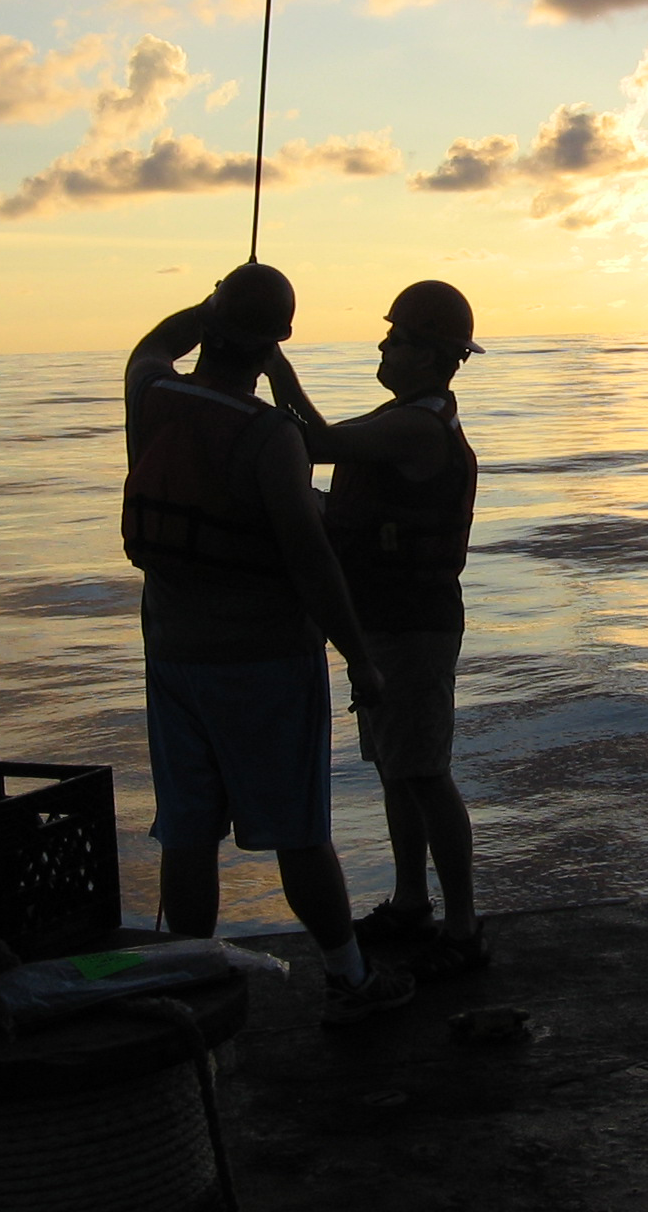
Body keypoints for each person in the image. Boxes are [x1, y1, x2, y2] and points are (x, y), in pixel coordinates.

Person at [123, 262, 414, 1025]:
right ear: (278, 343)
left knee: (187, 834)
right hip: (265, 664)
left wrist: (217, 306)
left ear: (210, 326)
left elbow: (155, 341)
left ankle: (188, 983)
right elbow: (310, 560)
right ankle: (348, 978)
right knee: (299, 834)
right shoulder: (269, 435)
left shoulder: (149, 395)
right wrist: (360, 657)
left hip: (173, 658)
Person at [264, 280, 487, 976]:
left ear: (428, 357)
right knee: (398, 770)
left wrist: (273, 367)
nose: (382, 346)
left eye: (394, 338)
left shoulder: (416, 426)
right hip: (386, 623)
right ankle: (411, 902)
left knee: (423, 772)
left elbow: (318, 441)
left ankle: (461, 923)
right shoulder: (407, 416)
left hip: (413, 629)